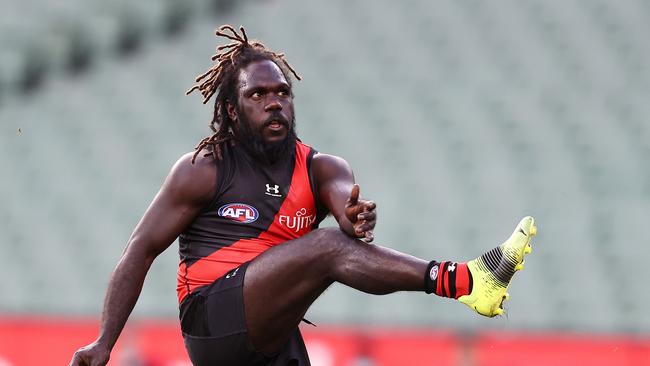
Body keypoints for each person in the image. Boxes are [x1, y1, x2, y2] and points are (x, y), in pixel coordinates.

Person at [69, 25, 537, 366]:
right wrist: (104, 342)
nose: (274, 102)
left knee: (335, 242)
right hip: (212, 321)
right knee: (328, 245)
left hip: (272, 332)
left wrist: (355, 219)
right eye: (257, 95)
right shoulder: (202, 169)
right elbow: (139, 251)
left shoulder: (322, 168)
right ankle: (466, 282)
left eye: (282, 92)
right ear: (231, 110)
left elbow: (346, 212)